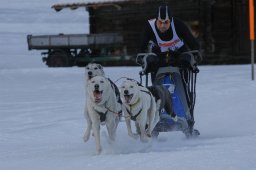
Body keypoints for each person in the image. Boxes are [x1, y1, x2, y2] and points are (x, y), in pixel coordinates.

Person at [139, 5, 201, 83]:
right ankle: (156, 90)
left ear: (171, 20)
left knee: (185, 63)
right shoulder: (149, 27)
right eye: (160, 22)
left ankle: (184, 90)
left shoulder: (179, 25)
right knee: (152, 63)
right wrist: (143, 59)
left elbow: (193, 44)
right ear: (156, 20)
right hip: (158, 55)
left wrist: (194, 57)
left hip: (178, 54)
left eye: (166, 22)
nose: (163, 25)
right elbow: (141, 47)